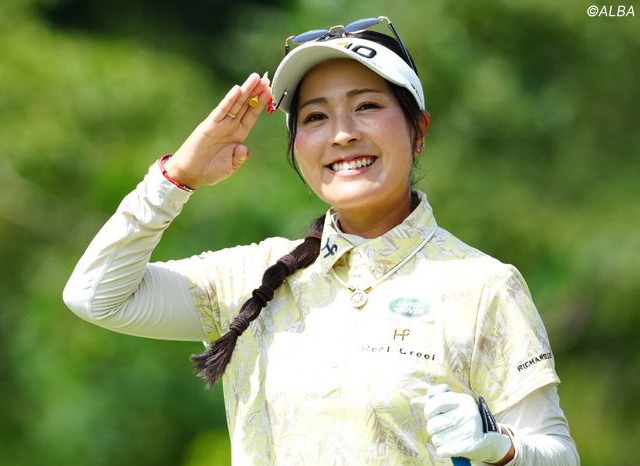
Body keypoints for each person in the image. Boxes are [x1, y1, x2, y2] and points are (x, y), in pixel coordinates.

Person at [63, 16, 580, 466]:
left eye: (367, 106)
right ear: (296, 146)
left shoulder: (483, 286)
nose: (342, 134)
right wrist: (177, 176)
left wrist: (500, 446)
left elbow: (557, 453)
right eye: (315, 116)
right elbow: (95, 296)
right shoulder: (253, 276)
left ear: (418, 130)